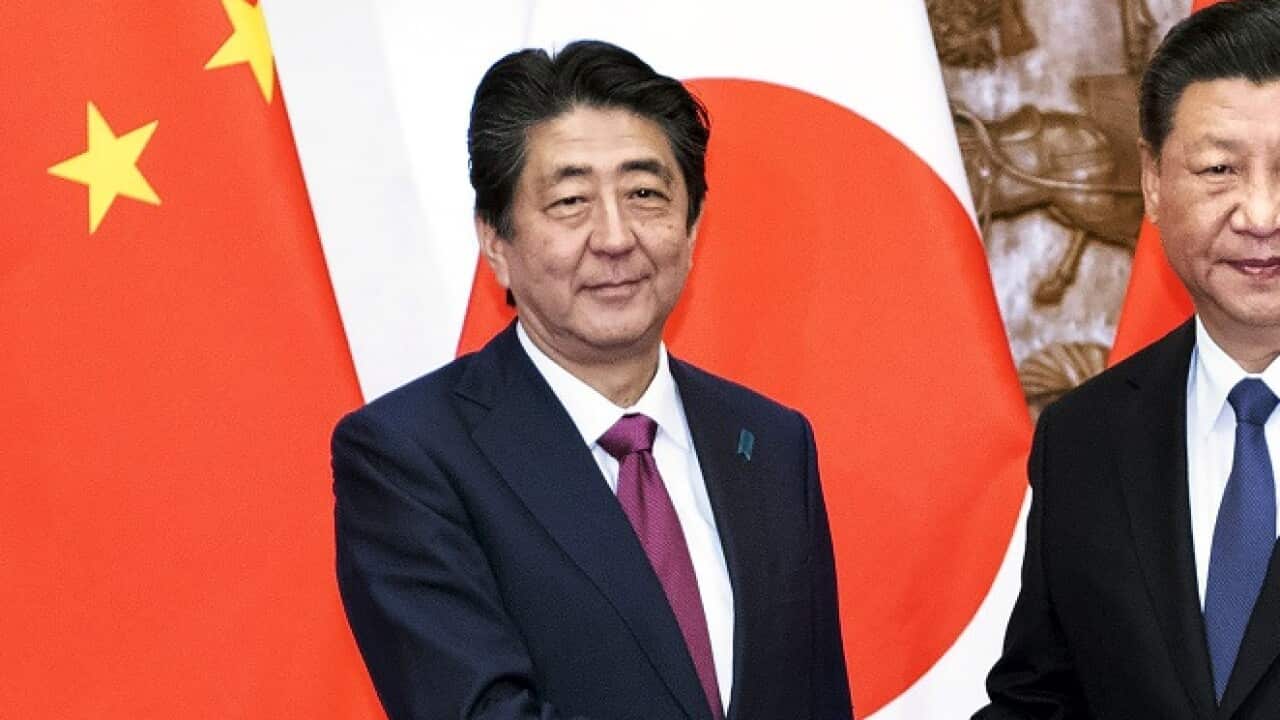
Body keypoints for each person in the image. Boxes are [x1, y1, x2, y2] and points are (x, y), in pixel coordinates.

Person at [332, 40, 852, 720]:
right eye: (571, 200)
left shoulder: (771, 443)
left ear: (692, 227)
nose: (614, 236)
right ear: (495, 241)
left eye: (644, 193)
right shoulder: (408, 457)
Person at [974, 1, 1280, 717]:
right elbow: (1039, 699)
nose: (1261, 214)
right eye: (1218, 168)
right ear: (1152, 181)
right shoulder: (1083, 437)